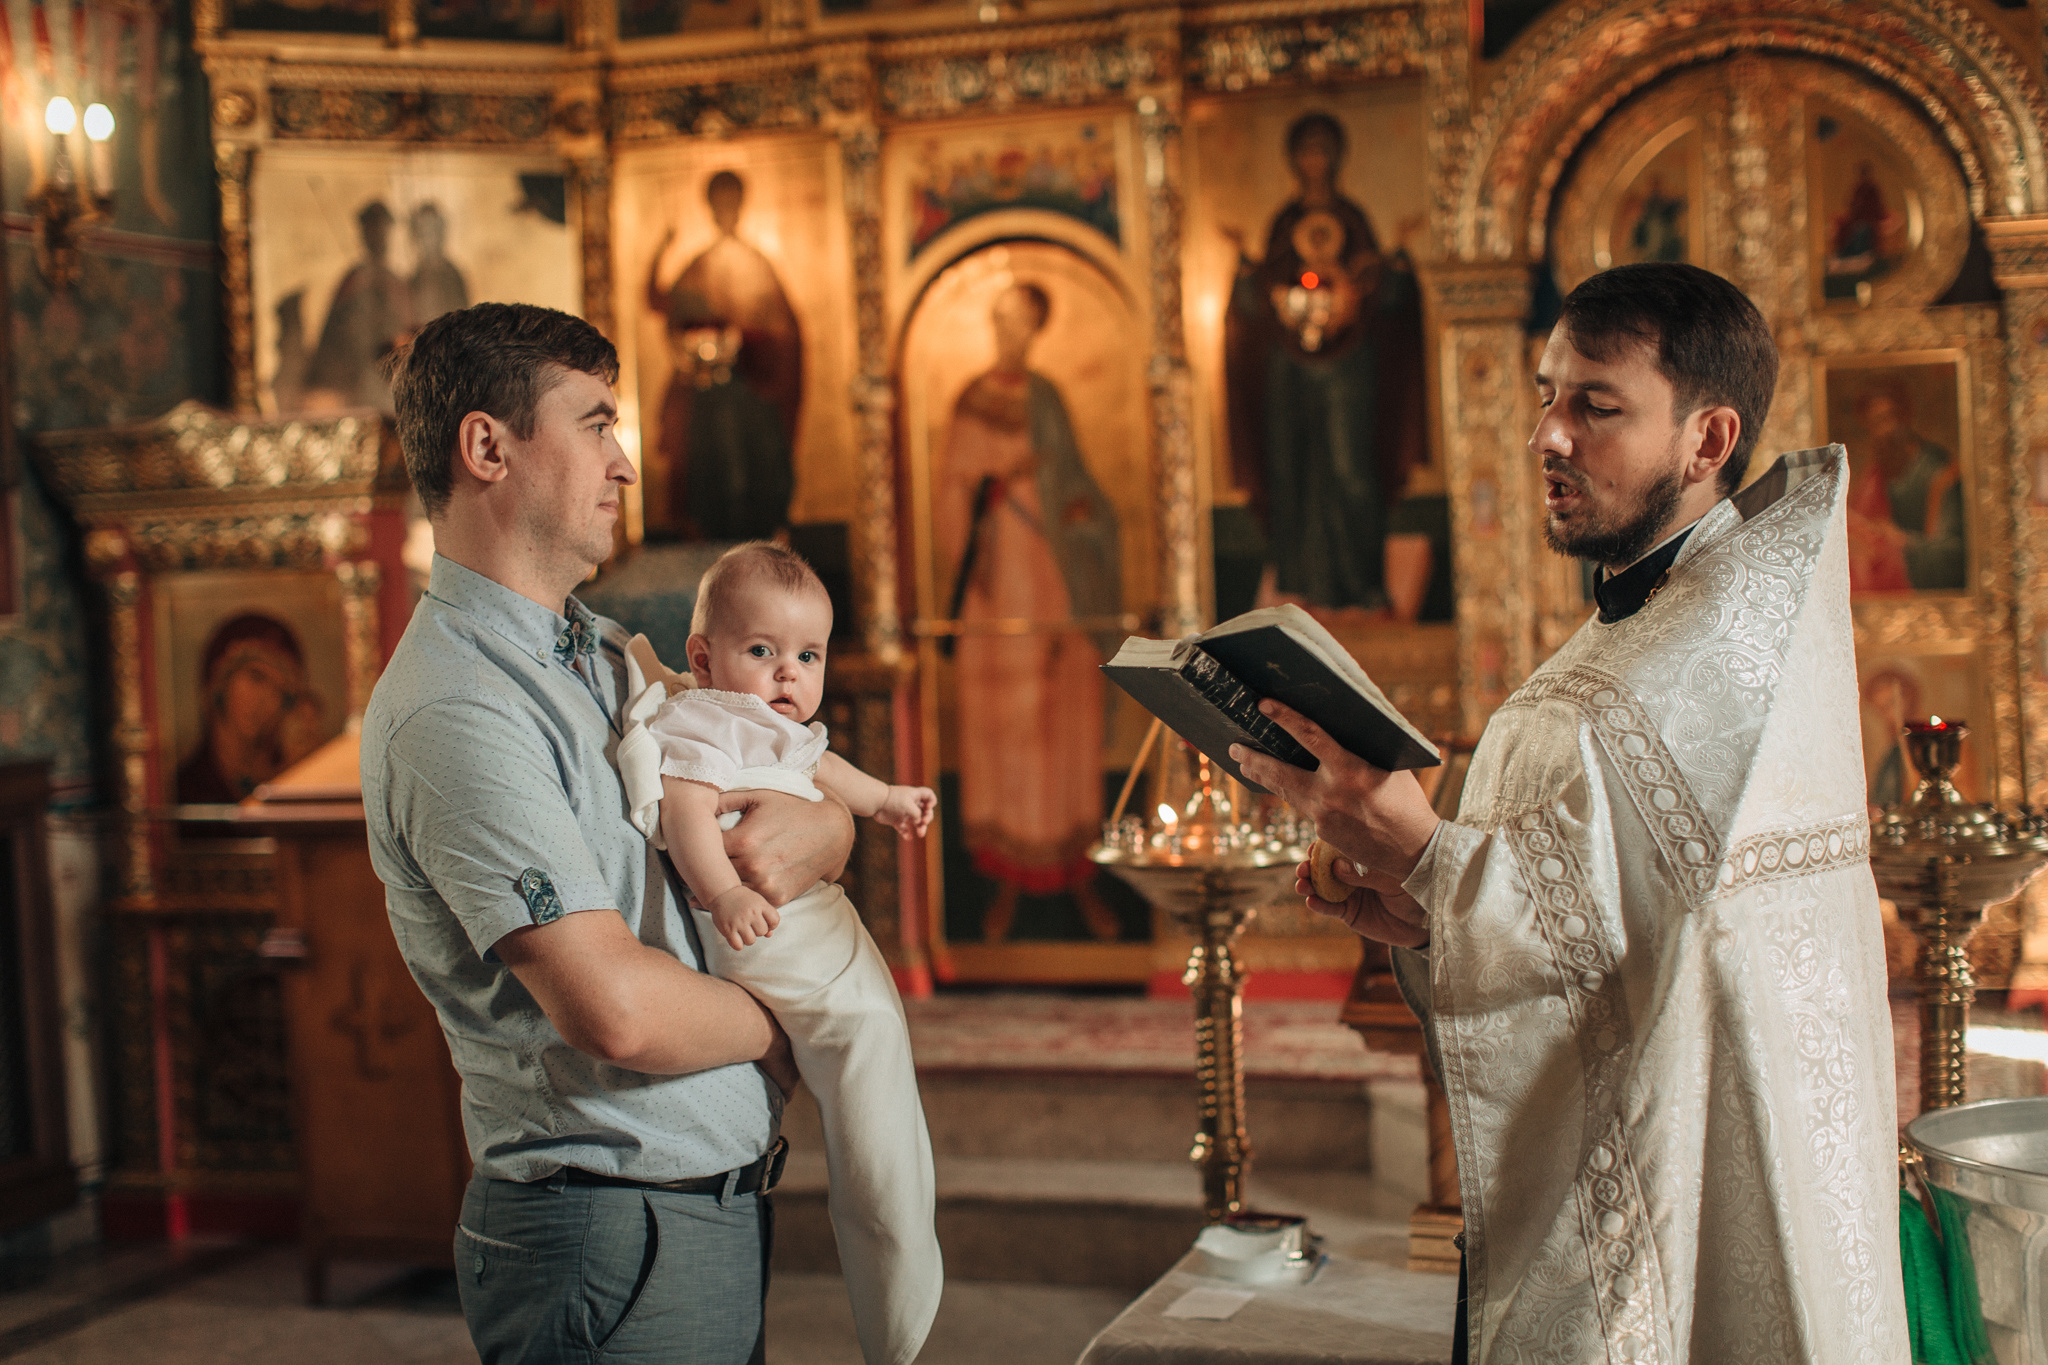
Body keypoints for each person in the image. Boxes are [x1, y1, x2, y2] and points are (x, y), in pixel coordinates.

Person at [1236, 262, 1906, 1362]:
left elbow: (1676, 933)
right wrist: (1423, 903)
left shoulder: (1707, 659)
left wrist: (1430, 859)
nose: (1548, 436)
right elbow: (1638, 921)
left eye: (1595, 406)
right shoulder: (1675, 622)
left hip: (1684, 1204)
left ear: (1705, 440)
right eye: (1545, 395)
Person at [363, 302, 855, 1365]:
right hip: (604, 1226)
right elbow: (615, 1012)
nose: (625, 462)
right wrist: (806, 1027)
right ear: (487, 447)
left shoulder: (596, 649)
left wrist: (827, 833)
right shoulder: (461, 706)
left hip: (685, 1205)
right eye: (594, 424)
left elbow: (768, 790)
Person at [611, 542, 943, 1365]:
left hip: (815, 918)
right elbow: (689, 814)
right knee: (868, 1067)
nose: (788, 673)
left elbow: (829, 770)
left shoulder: (770, 722)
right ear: (704, 656)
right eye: (762, 650)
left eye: (808, 655)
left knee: (880, 1081)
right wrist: (724, 892)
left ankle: (900, 1272)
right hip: (767, 931)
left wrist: (889, 802)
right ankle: (897, 1304)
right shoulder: (706, 719)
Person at [935, 280, 1122, 943]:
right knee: (1010, 728)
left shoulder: (1046, 398)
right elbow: (951, 496)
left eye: (1025, 325)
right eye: (1004, 321)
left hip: (1056, 577)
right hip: (997, 587)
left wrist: (1080, 514)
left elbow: (1075, 480)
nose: (1013, 334)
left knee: (1059, 719)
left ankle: (1082, 875)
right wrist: (992, 490)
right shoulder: (971, 400)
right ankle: (1004, 888)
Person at [1222, 111, 1427, 610]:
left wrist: (1391, 271)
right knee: (1292, 472)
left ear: (1337, 157)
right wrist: (1247, 275)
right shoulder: (1284, 224)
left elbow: (1382, 293)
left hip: (1349, 368)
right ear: (1294, 160)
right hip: (1289, 371)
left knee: (1351, 468)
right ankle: (1300, 586)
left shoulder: (1353, 220)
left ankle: (1362, 586)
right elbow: (1260, 296)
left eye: (1323, 150)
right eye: (1306, 150)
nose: (1315, 161)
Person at [646, 170, 802, 538]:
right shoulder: (701, 265)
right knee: (708, 468)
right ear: (711, 209)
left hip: (754, 392)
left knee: (758, 469)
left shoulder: (758, 265)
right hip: (711, 392)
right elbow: (660, 301)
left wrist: (752, 345)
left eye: (731, 203)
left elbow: (786, 332)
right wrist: (660, 249)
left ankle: (761, 521)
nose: (725, 211)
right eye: (719, 204)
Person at [175, 613, 325, 803]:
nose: (267, 700)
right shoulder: (186, 787)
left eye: (280, 692)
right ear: (220, 683)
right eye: (256, 677)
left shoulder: (288, 775)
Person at [305, 200, 414, 412]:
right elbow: (331, 337)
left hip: (388, 381)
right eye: (371, 230)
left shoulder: (397, 283)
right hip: (353, 382)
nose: (376, 236)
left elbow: (411, 331)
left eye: (381, 230)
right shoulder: (352, 280)